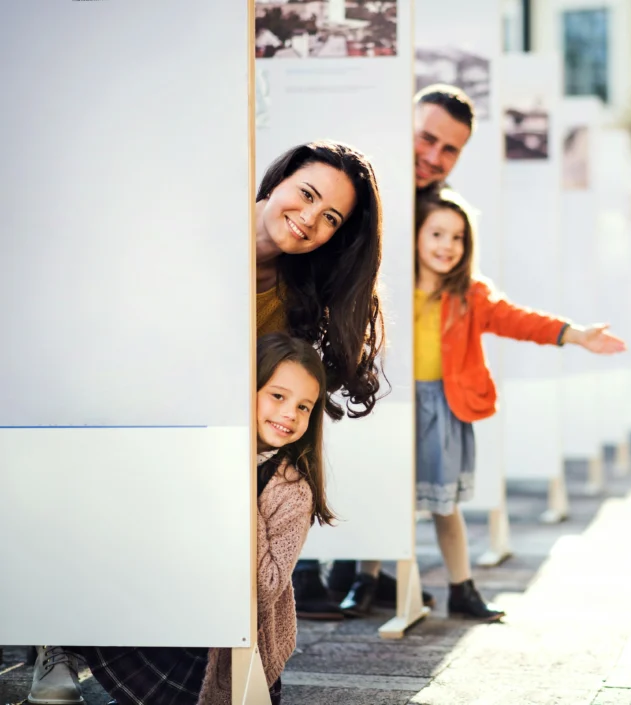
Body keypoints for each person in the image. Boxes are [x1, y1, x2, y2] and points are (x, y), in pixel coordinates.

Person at [28, 140, 388, 703]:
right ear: (277, 180)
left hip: (200, 442)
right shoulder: (194, 233)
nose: (309, 219)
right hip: (116, 405)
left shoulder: (297, 296)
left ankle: (185, 651)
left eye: (330, 219)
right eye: (307, 194)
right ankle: (55, 636)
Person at [339, 189, 627, 620]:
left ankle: (461, 587)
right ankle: (366, 579)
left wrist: (576, 333)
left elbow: (518, 320)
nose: (446, 246)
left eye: (457, 238)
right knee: (387, 491)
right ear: (415, 235)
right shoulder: (386, 285)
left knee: (444, 505)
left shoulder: (471, 295)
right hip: (393, 404)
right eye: (436, 233)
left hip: (442, 410)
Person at [27, 334, 334, 705]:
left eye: (304, 407)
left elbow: (267, 586)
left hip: (216, 654)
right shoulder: (198, 452)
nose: (290, 413)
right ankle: (57, 646)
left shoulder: (292, 490)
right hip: (165, 618)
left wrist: (237, 486)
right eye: (278, 396)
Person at [324, 84, 477, 613]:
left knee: (406, 476)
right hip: (340, 354)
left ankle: (366, 576)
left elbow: (471, 290)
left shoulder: (439, 211)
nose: (434, 157)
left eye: (450, 149)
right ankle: (348, 576)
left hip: (406, 373)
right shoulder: (357, 179)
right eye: (427, 138)